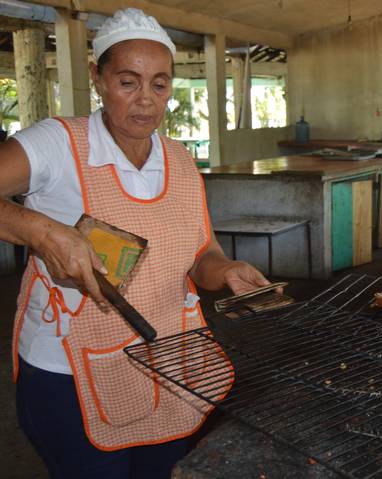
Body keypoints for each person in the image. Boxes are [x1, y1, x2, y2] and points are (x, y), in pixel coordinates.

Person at [0, 8, 271, 478]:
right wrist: (40, 232)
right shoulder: (58, 144)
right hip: (70, 372)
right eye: (128, 82)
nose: (146, 101)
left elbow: (201, 256)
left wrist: (225, 271)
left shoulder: (181, 160)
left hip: (167, 363)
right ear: (98, 78)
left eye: (160, 85)